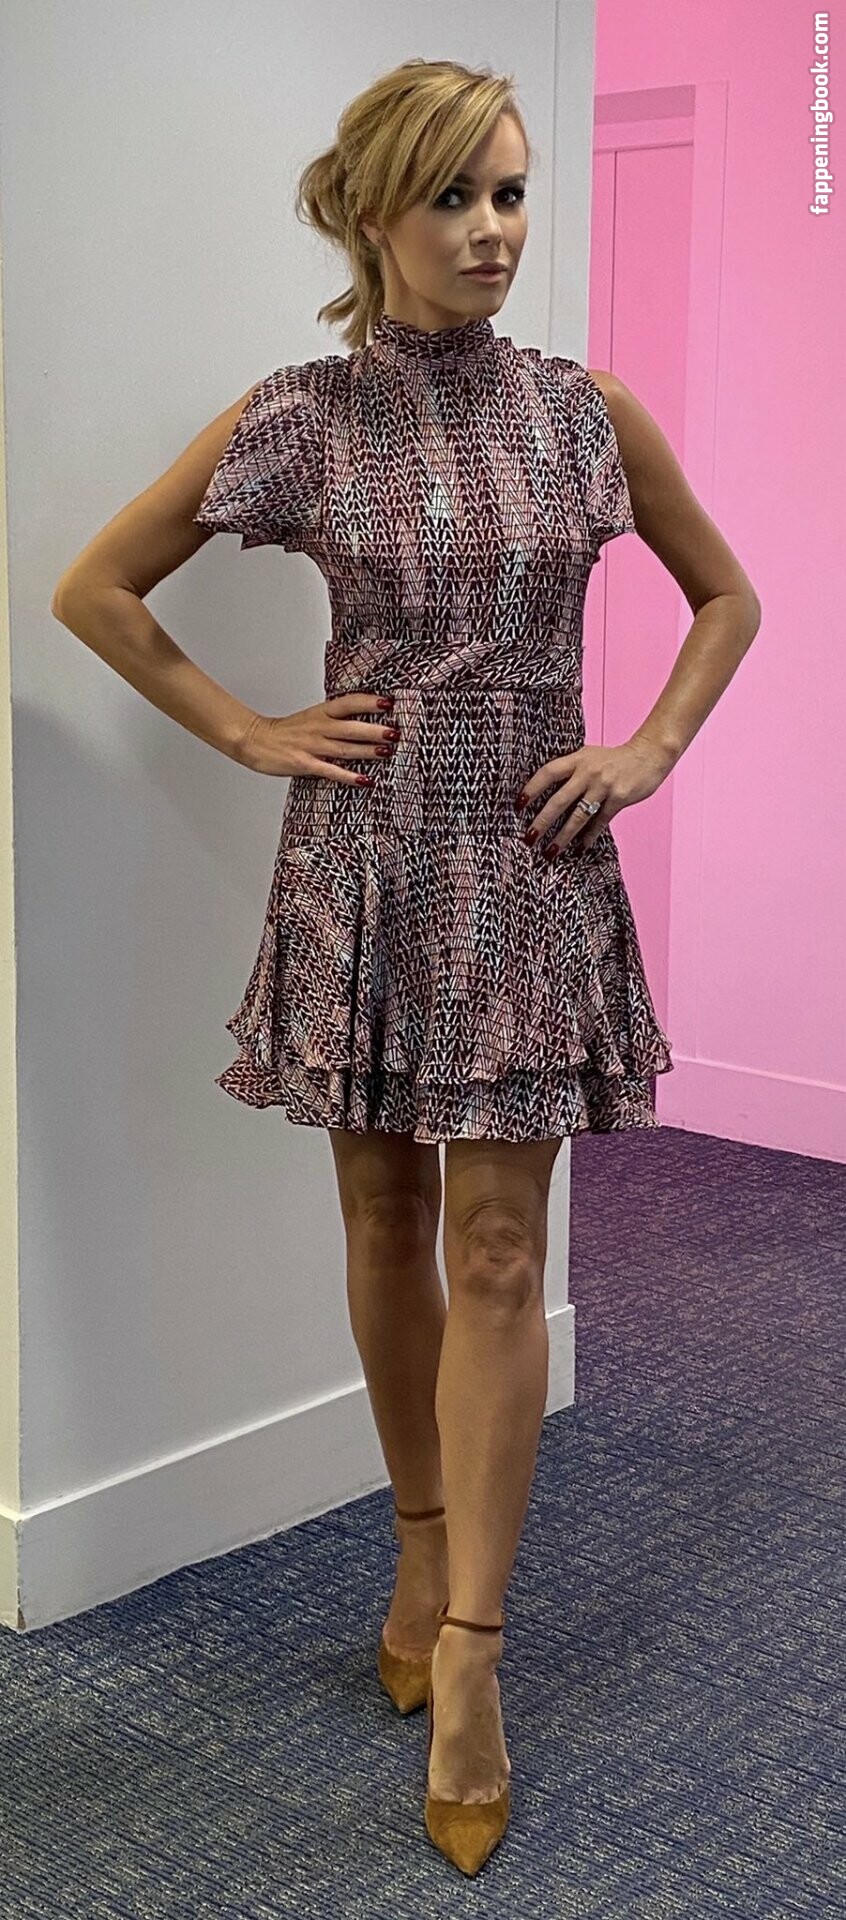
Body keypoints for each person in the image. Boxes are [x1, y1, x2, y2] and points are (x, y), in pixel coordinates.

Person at [51, 56, 761, 1879]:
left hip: (526, 860)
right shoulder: (298, 418)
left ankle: (472, 1662)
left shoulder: (583, 412)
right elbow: (96, 591)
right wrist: (246, 730)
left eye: (510, 192)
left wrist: (646, 750)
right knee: (380, 1224)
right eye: (454, 197)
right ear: (368, 212)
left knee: (501, 1250)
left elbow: (725, 596)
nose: (493, 230)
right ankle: (417, 1548)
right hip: (363, 860)